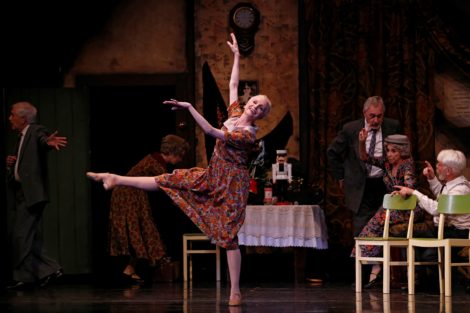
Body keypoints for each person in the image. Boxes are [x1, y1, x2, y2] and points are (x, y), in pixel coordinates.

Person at [87, 33, 271, 306]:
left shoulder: (248, 135)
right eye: (255, 102)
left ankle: (234, 290)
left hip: (232, 184)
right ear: (249, 102)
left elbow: (209, 131)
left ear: (262, 116)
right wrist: (235, 56)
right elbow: (233, 84)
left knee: (230, 236)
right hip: (213, 175)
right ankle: (115, 178)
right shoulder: (234, 115)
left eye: (262, 108)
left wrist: (188, 107)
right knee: (169, 179)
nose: (256, 106)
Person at [107, 134, 190, 285]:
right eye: (180, 156)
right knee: (139, 232)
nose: (180, 160)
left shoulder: (157, 161)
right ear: (172, 152)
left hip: (134, 195)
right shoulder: (156, 163)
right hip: (127, 195)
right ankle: (128, 269)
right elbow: (167, 186)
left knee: (144, 232)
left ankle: (129, 270)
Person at [5, 101, 67, 289]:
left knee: (20, 236)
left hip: (32, 195)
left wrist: (48, 142)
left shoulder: (35, 130)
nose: (10, 118)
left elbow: (42, 138)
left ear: (23, 118)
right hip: (23, 194)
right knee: (31, 238)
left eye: (12, 114)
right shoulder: (21, 137)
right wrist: (10, 163)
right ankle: (50, 270)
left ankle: (24, 276)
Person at [352, 134, 426, 288]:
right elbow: (365, 157)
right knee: (375, 227)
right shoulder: (387, 164)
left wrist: (402, 191)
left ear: (403, 152)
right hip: (392, 208)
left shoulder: (407, 165)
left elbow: (410, 186)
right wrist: (361, 142)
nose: (390, 154)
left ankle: (373, 266)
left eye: (394, 151)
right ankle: (375, 267)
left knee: (377, 221)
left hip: (408, 209)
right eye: (388, 150)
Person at [393, 149, 470, 291]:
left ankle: (454, 280)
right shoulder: (452, 184)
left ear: (449, 170)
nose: (437, 167)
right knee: (405, 234)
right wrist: (432, 178)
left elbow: (436, 208)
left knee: (429, 255)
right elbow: (442, 196)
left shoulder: (460, 190)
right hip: (441, 228)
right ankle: (420, 281)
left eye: (440, 165)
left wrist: (414, 193)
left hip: (456, 232)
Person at [327, 96, 402, 236]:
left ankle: (383, 258)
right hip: (360, 186)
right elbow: (332, 153)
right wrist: (341, 177)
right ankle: (362, 257)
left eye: (379, 116)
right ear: (364, 113)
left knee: (386, 230)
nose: (376, 120)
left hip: (384, 184)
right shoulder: (351, 129)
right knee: (362, 230)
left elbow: (401, 155)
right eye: (372, 116)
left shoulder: (393, 127)